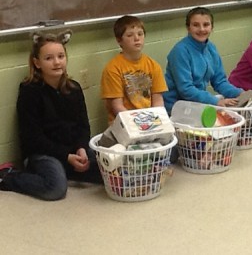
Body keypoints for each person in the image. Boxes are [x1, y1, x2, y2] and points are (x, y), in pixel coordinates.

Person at [0, 31, 102, 201]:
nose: (56, 62)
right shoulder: (29, 91)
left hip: (72, 150)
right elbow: (33, 138)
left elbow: (83, 126)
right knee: (55, 189)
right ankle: (8, 176)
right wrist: (66, 156)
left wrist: (81, 148)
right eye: (48, 58)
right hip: (42, 153)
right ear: (37, 63)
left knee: (109, 171)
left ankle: (68, 169)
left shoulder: (74, 88)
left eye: (61, 56)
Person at [163, 7, 242, 114]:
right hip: (176, 106)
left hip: (197, 103)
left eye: (206, 25)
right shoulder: (180, 51)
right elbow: (186, 89)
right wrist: (215, 101)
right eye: (196, 25)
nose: (201, 29)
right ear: (188, 28)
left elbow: (220, 81)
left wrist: (240, 94)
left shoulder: (211, 48)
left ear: (212, 27)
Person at [101, 15, 168, 124]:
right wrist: (138, 123)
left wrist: (154, 121)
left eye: (140, 34)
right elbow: (117, 106)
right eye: (129, 35)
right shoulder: (112, 69)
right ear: (119, 40)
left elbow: (158, 101)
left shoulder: (153, 65)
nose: (137, 38)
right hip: (124, 123)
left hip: (149, 121)